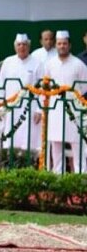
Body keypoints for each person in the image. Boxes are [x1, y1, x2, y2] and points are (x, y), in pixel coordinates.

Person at [42, 30, 87, 174]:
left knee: (77, 143)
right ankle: (57, 177)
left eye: (65, 44)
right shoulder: (50, 64)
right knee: (56, 143)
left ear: (70, 45)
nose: (62, 46)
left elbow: (84, 88)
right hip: (56, 110)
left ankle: (81, 177)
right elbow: (45, 86)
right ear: (56, 45)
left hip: (74, 111)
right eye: (59, 44)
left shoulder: (79, 64)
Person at [0, 34, 42, 157]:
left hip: (30, 110)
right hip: (11, 109)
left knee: (30, 143)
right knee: (11, 142)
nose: (22, 47)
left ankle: (29, 169)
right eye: (19, 45)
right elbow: (1, 86)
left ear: (29, 46)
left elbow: (43, 88)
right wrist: (1, 107)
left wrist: (40, 110)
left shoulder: (37, 63)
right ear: (15, 47)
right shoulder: (8, 62)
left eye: (24, 45)